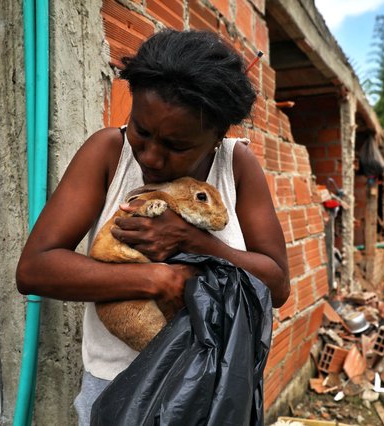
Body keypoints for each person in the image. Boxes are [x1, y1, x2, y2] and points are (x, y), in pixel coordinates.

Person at [16, 29, 290, 425]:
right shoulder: (108, 153)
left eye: (177, 146)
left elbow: (277, 284)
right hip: (117, 390)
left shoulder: (237, 167)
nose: (151, 156)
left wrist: (196, 242)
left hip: (214, 393)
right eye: (141, 131)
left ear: (217, 137)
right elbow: (35, 269)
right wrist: (159, 279)